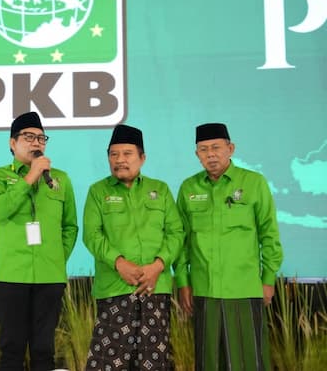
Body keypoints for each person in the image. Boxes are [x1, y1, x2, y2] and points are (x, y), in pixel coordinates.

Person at [174, 123, 283, 370]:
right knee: (209, 362)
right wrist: (183, 281)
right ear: (197, 154)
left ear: (230, 149)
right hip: (204, 290)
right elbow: (180, 240)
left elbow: (269, 234)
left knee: (248, 361)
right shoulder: (189, 188)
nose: (210, 154)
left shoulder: (254, 183)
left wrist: (268, 279)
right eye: (204, 149)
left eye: (216, 147)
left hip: (244, 289)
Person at [82, 124, 184, 370]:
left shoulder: (160, 190)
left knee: (153, 363)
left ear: (142, 158)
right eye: (114, 154)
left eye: (127, 154)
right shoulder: (98, 191)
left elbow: (176, 232)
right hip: (114, 289)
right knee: (108, 364)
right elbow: (92, 235)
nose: (120, 160)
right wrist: (119, 263)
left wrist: (158, 266)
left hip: (154, 288)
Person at [0, 111, 78, 371]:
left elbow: (70, 226)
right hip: (11, 274)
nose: (36, 142)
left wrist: (58, 256)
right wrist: (29, 178)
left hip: (50, 276)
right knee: (11, 348)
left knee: (44, 350)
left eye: (41, 138)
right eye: (28, 137)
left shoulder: (61, 179)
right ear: (12, 143)